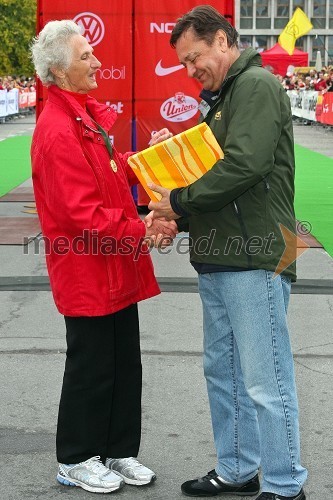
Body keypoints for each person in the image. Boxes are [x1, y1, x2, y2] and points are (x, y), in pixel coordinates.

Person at [147, 5, 307, 500]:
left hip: (254, 255)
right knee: (226, 373)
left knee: (265, 379)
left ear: (222, 40)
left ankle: (284, 486)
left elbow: (245, 167)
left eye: (195, 57)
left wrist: (175, 203)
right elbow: (220, 179)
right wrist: (180, 216)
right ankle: (237, 468)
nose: (192, 70)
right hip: (222, 254)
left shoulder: (255, 86)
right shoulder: (224, 97)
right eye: (185, 64)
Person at [30, 19, 177, 495]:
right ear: (58, 70)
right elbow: (81, 212)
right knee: (91, 367)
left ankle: (117, 450)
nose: (96, 63)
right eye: (85, 56)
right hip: (87, 268)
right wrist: (142, 229)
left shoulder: (83, 117)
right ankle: (75, 458)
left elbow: (109, 170)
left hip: (112, 265)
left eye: (92, 52)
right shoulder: (56, 128)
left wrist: (146, 160)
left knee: (122, 363)